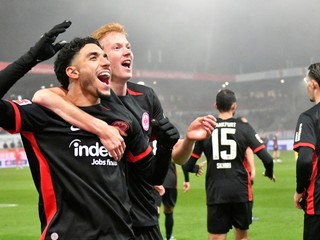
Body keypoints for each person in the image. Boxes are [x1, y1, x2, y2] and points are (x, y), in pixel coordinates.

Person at [32, 22, 216, 239]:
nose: (127, 51)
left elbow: (174, 156)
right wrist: (100, 127)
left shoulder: (146, 97)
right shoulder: (83, 96)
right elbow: (43, 97)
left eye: (128, 46)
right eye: (117, 48)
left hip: (145, 215)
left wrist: (188, 140)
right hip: (107, 220)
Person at [0, 32, 180, 239]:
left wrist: (165, 147)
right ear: (73, 72)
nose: (104, 62)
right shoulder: (42, 116)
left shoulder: (123, 119)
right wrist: (32, 57)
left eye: (105, 57)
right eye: (94, 57)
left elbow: (152, 176)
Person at [183, 89, 275, 240]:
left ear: (216, 105)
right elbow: (268, 159)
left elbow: (187, 165)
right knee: (242, 236)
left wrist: (194, 168)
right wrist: (269, 172)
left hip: (216, 192)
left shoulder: (207, 129)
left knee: (216, 237)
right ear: (234, 106)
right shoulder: (244, 127)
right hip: (239, 190)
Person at [293, 62, 320, 240]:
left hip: (317, 205)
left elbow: (304, 160)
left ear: (313, 84)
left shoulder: (309, 118)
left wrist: (300, 190)